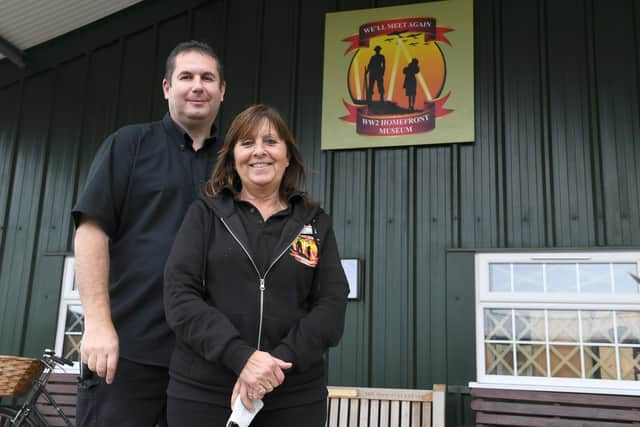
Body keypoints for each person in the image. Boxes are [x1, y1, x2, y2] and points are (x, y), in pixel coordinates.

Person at [163, 104, 349, 427]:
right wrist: (241, 357)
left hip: (294, 400)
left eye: (271, 142)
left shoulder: (315, 222)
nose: (259, 151)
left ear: (288, 155)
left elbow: (332, 304)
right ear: (233, 157)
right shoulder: (205, 214)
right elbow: (179, 295)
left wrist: (273, 367)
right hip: (203, 394)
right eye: (247, 143)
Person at [71, 40, 226, 427]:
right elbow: (90, 232)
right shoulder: (128, 144)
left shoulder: (234, 161)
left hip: (207, 358)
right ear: (166, 88)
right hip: (125, 351)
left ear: (222, 91)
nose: (197, 86)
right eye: (186, 76)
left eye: (208, 78)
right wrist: (97, 324)